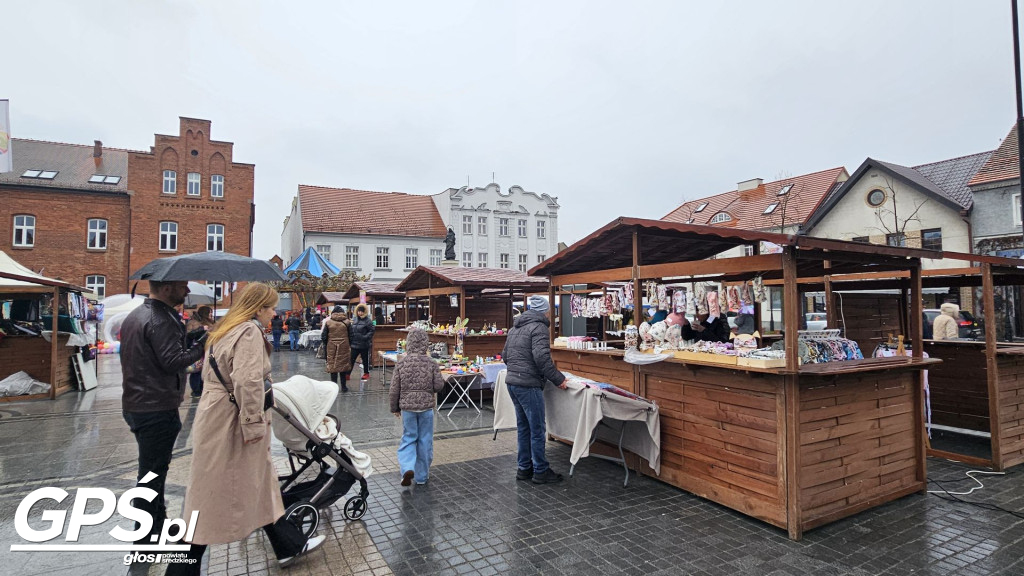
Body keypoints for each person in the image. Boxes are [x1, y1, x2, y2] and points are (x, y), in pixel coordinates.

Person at [167, 283, 324, 574]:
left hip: (217, 413)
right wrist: (253, 425)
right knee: (208, 497)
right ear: (258, 308)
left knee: (260, 482)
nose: (274, 313)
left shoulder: (225, 329)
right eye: (271, 308)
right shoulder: (248, 331)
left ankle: (288, 544)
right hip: (232, 421)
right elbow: (248, 381)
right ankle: (181, 570)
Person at [120, 280, 205, 544]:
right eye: (182, 286)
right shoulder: (161, 319)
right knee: (151, 475)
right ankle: (145, 534)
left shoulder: (138, 314)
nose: (187, 291)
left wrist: (191, 338)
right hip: (155, 405)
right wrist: (204, 344)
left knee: (153, 471)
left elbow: (159, 352)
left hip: (138, 402)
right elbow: (173, 361)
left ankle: (157, 523)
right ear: (167, 288)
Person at [501, 295, 567, 485]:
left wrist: (517, 370)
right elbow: (541, 357)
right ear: (545, 311)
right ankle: (540, 470)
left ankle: (524, 468)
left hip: (512, 382)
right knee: (537, 429)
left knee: (523, 428)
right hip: (528, 384)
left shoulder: (515, 328)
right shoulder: (539, 328)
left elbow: (505, 355)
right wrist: (558, 379)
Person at [389, 327, 445, 486]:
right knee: (425, 440)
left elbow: (394, 389)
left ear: (409, 343)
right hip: (426, 408)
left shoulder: (402, 363)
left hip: (408, 408)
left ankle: (407, 467)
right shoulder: (431, 363)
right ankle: (421, 477)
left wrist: (394, 408)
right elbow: (439, 386)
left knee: (408, 437)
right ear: (425, 344)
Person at [185, 306, 216, 398]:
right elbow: (189, 335)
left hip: (208, 350)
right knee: (196, 371)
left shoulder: (212, 323)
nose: (211, 314)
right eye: (210, 313)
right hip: (198, 351)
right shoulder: (194, 323)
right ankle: (196, 391)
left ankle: (202, 389)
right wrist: (202, 329)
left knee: (205, 370)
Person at [322, 306, 353, 391]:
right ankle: (344, 387)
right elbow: (351, 335)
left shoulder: (328, 323)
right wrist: (348, 344)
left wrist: (328, 344)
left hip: (331, 347)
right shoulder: (347, 322)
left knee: (333, 367)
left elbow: (324, 336)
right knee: (343, 366)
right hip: (344, 346)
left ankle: (334, 387)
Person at [350, 303, 375, 381]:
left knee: (365, 360)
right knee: (351, 359)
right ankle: (347, 374)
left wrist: (365, 337)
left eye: (361, 311)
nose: (360, 313)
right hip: (354, 343)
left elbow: (372, 330)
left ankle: (366, 373)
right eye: (359, 311)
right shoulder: (355, 319)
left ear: (364, 312)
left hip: (364, 344)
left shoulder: (368, 320)